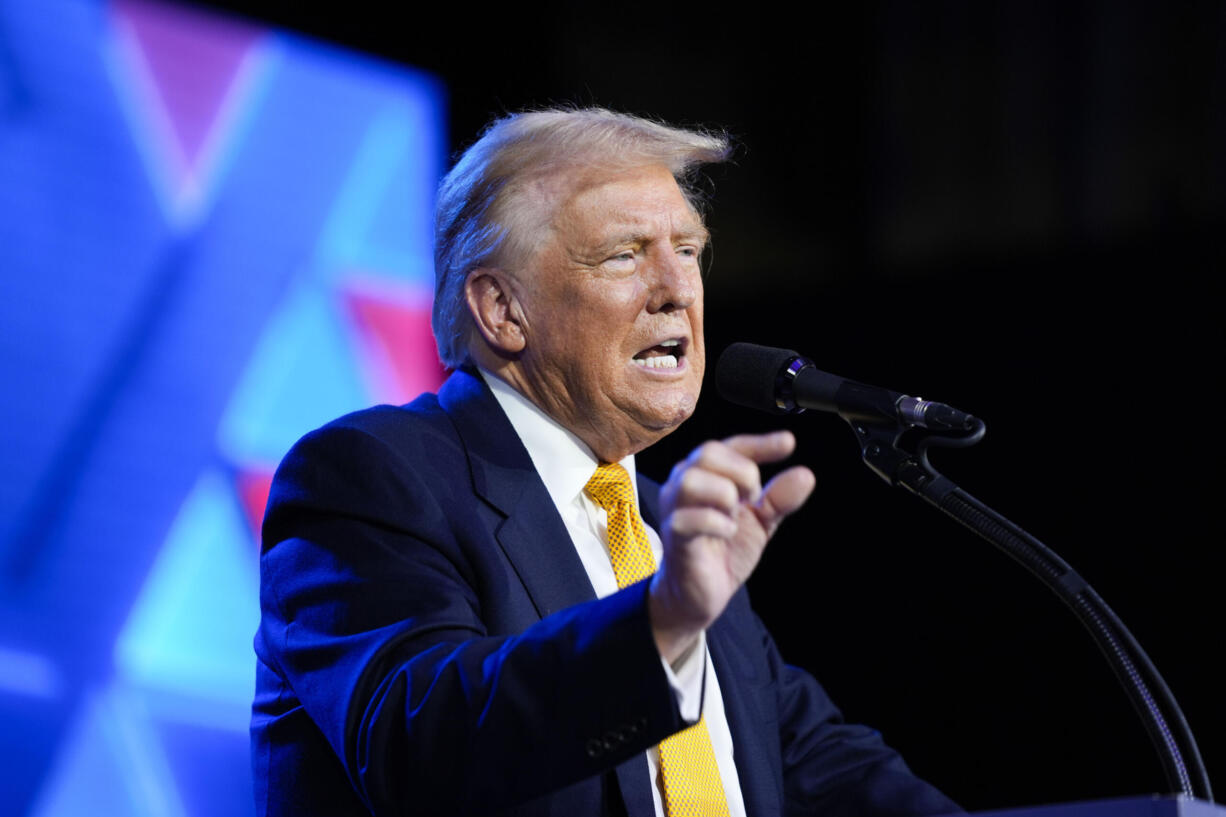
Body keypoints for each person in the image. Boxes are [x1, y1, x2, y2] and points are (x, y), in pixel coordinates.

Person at [251, 107, 961, 817]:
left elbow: (825, 767)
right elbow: (423, 742)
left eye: (688, 249)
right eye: (625, 253)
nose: (678, 288)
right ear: (502, 309)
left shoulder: (665, 527)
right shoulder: (370, 478)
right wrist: (662, 623)